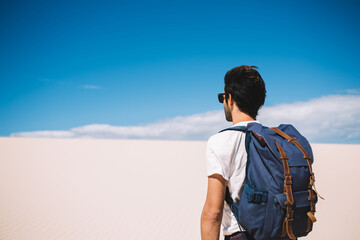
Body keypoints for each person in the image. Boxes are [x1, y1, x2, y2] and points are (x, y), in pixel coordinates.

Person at [200, 65, 266, 240]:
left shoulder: (220, 142)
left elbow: (213, 212)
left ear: (230, 99)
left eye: (222, 96)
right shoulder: (277, 140)